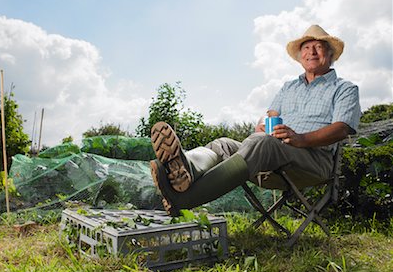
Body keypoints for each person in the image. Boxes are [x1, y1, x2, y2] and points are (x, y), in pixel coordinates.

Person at [149, 24, 361, 217]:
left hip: (313, 162)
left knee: (261, 142)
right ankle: (188, 168)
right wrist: (262, 123)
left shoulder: (344, 89)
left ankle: (183, 199)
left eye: (318, 46)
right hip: (272, 156)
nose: (311, 52)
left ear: (331, 54)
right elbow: (270, 114)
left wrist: (301, 139)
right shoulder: (289, 87)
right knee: (223, 144)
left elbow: (341, 129)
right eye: (306, 47)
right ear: (300, 56)